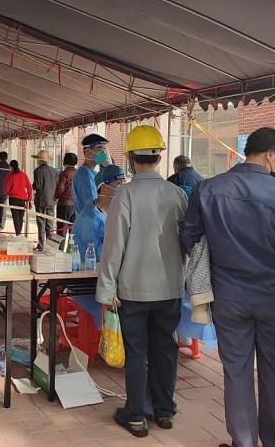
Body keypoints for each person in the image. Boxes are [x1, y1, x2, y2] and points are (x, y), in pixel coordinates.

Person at [181, 127, 275, 447]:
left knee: (236, 372)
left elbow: (188, 238)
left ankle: (244, 441)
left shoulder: (208, 189)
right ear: (270, 155)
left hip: (229, 297)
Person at [96, 126, 186, 438]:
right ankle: (164, 410)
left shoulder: (126, 195)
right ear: (159, 157)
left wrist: (107, 288)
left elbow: (114, 246)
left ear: (132, 158)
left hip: (133, 289)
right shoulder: (178, 194)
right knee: (165, 350)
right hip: (170, 288)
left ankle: (135, 414)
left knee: (137, 352)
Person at [73, 164, 125, 261]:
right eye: (118, 183)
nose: (123, 189)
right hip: (88, 272)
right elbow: (100, 255)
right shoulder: (90, 218)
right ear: (104, 188)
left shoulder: (106, 213)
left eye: (123, 183)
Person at [73, 134, 109, 215]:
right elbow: (93, 206)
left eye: (105, 149)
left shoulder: (93, 173)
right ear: (88, 152)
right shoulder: (84, 174)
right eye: (100, 149)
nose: (104, 153)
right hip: (91, 225)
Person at [32, 149, 57, 251]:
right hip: (51, 200)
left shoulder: (37, 171)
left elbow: (37, 186)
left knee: (41, 223)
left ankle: (41, 245)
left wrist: (32, 186)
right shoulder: (54, 171)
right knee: (50, 224)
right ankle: (50, 246)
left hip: (41, 201)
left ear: (39, 160)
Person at [5, 160, 33, 236]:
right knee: (20, 218)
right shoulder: (24, 175)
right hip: (23, 200)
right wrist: (29, 200)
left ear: (11, 167)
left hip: (13, 199)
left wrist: (9, 192)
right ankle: (19, 233)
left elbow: (6, 189)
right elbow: (29, 187)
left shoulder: (10, 176)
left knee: (16, 218)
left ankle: (18, 234)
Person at [54, 152, 77, 237]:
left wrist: (55, 196)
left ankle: (60, 249)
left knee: (61, 230)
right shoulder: (78, 173)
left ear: (65, 161)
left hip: (64, 205)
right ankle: (72, 249)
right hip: (75, 205)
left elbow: (60, 188)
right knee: (73, 230)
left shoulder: (64, 173)